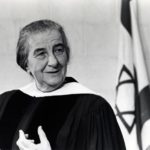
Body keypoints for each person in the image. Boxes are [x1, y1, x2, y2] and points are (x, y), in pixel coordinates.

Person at [0, 19, 126, 150]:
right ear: (26, 64)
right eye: (41, 54)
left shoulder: (93, 109)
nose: (54, 61)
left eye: (59, 50)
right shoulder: (5, 102)